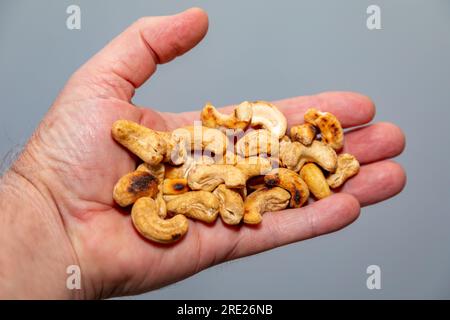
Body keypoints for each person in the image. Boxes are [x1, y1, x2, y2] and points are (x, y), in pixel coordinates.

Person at [0, 8, 406, 299]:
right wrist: (47, 203)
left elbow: (239, 182)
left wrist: (45, 207)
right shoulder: (178, 174)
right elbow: (182, 189)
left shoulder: (262, 161)